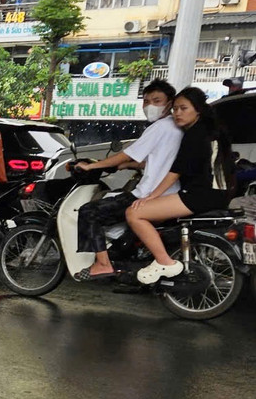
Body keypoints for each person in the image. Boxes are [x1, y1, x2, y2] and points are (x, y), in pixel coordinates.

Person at [71, 80, 181, 278]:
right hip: (170, 194)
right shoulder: (176, 127)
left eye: (157, 101)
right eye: (146, 101)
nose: (150, 106)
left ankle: (103, 264)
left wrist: (92, 166)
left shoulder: (159, 127)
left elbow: (127, 153)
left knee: (89, 212)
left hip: (149, 194)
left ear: (169, 103)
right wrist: (126, 166)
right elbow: (157, 161)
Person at [126, 87, 236, 283]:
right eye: (175, 109)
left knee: (134, 213)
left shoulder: (195, 134)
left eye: (183, 108)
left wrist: (151, 196)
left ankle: (164, 261)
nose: (177, 113)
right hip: (220, 194)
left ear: (198, 109)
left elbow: (176, 171)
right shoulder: (212, 131)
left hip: (200, 195)